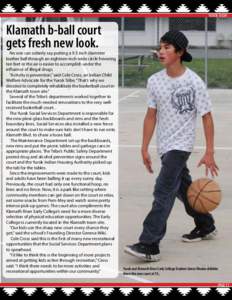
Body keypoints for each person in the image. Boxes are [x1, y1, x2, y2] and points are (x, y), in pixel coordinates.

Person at [124, 30, 219, 262]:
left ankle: (149, 244)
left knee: (163, 190)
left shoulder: (194, 82)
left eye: (167, 47)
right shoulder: (155, 81)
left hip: (182, 145)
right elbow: (150, 116)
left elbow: (207, 116)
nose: (161, 51)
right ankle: (206, 225)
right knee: (183, 188)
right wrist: (144, 147)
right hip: (164, 146)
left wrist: (209, 151)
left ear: (180, 52)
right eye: (161, 46)